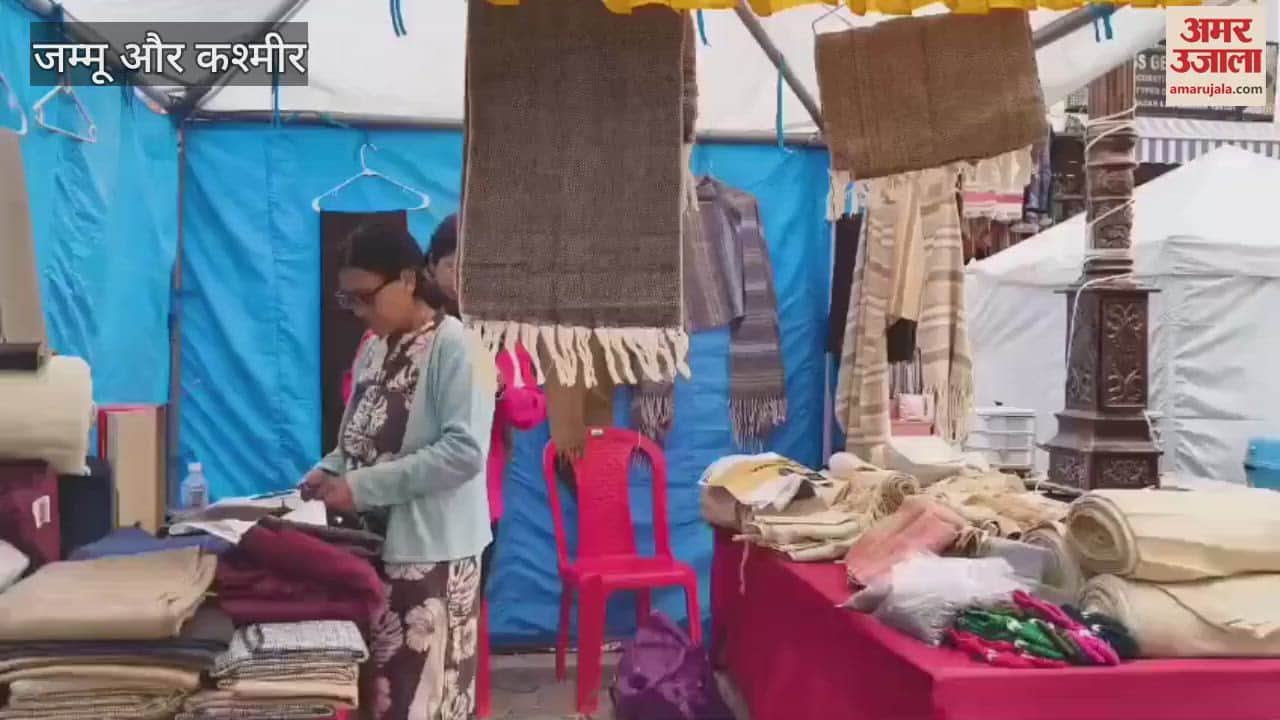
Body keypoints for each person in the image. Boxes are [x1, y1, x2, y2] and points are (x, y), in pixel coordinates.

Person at [302, 220, 494, 720]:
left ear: (409, 279)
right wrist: (329, 470)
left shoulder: (458, 348)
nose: (360, 311)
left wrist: (362, 486)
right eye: (350, 301)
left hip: (432, 560)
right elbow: (357, 437)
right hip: (376, 553)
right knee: (383, 697)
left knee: (424, 697)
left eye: (366, 296)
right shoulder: (374, 347)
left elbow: (463, 452)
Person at [424, 214, 546, 594]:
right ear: (431, 266)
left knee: (468, 610)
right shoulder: (409, 321)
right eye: (451, 265)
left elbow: (529, 411)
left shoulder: (501, 332)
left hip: (477, 500)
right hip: (410, 499)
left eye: (475, 269)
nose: (462, 278)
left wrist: (498, 387)